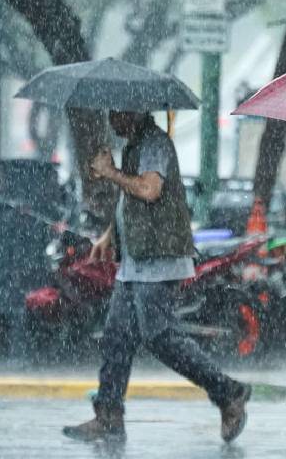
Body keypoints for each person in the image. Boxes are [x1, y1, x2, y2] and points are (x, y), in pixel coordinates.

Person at [63, 110, 251, 444]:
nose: (110, 119)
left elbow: (149, 190)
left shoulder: (154, 144)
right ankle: (108, 414)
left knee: (160, 336)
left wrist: (110, 172)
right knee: (116, 337)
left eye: (116, 113)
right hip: (135, 261)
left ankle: (228, 393)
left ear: (133, 111)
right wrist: (110, 233)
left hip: (157, 259)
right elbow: (131, 201)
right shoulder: (134, 146)